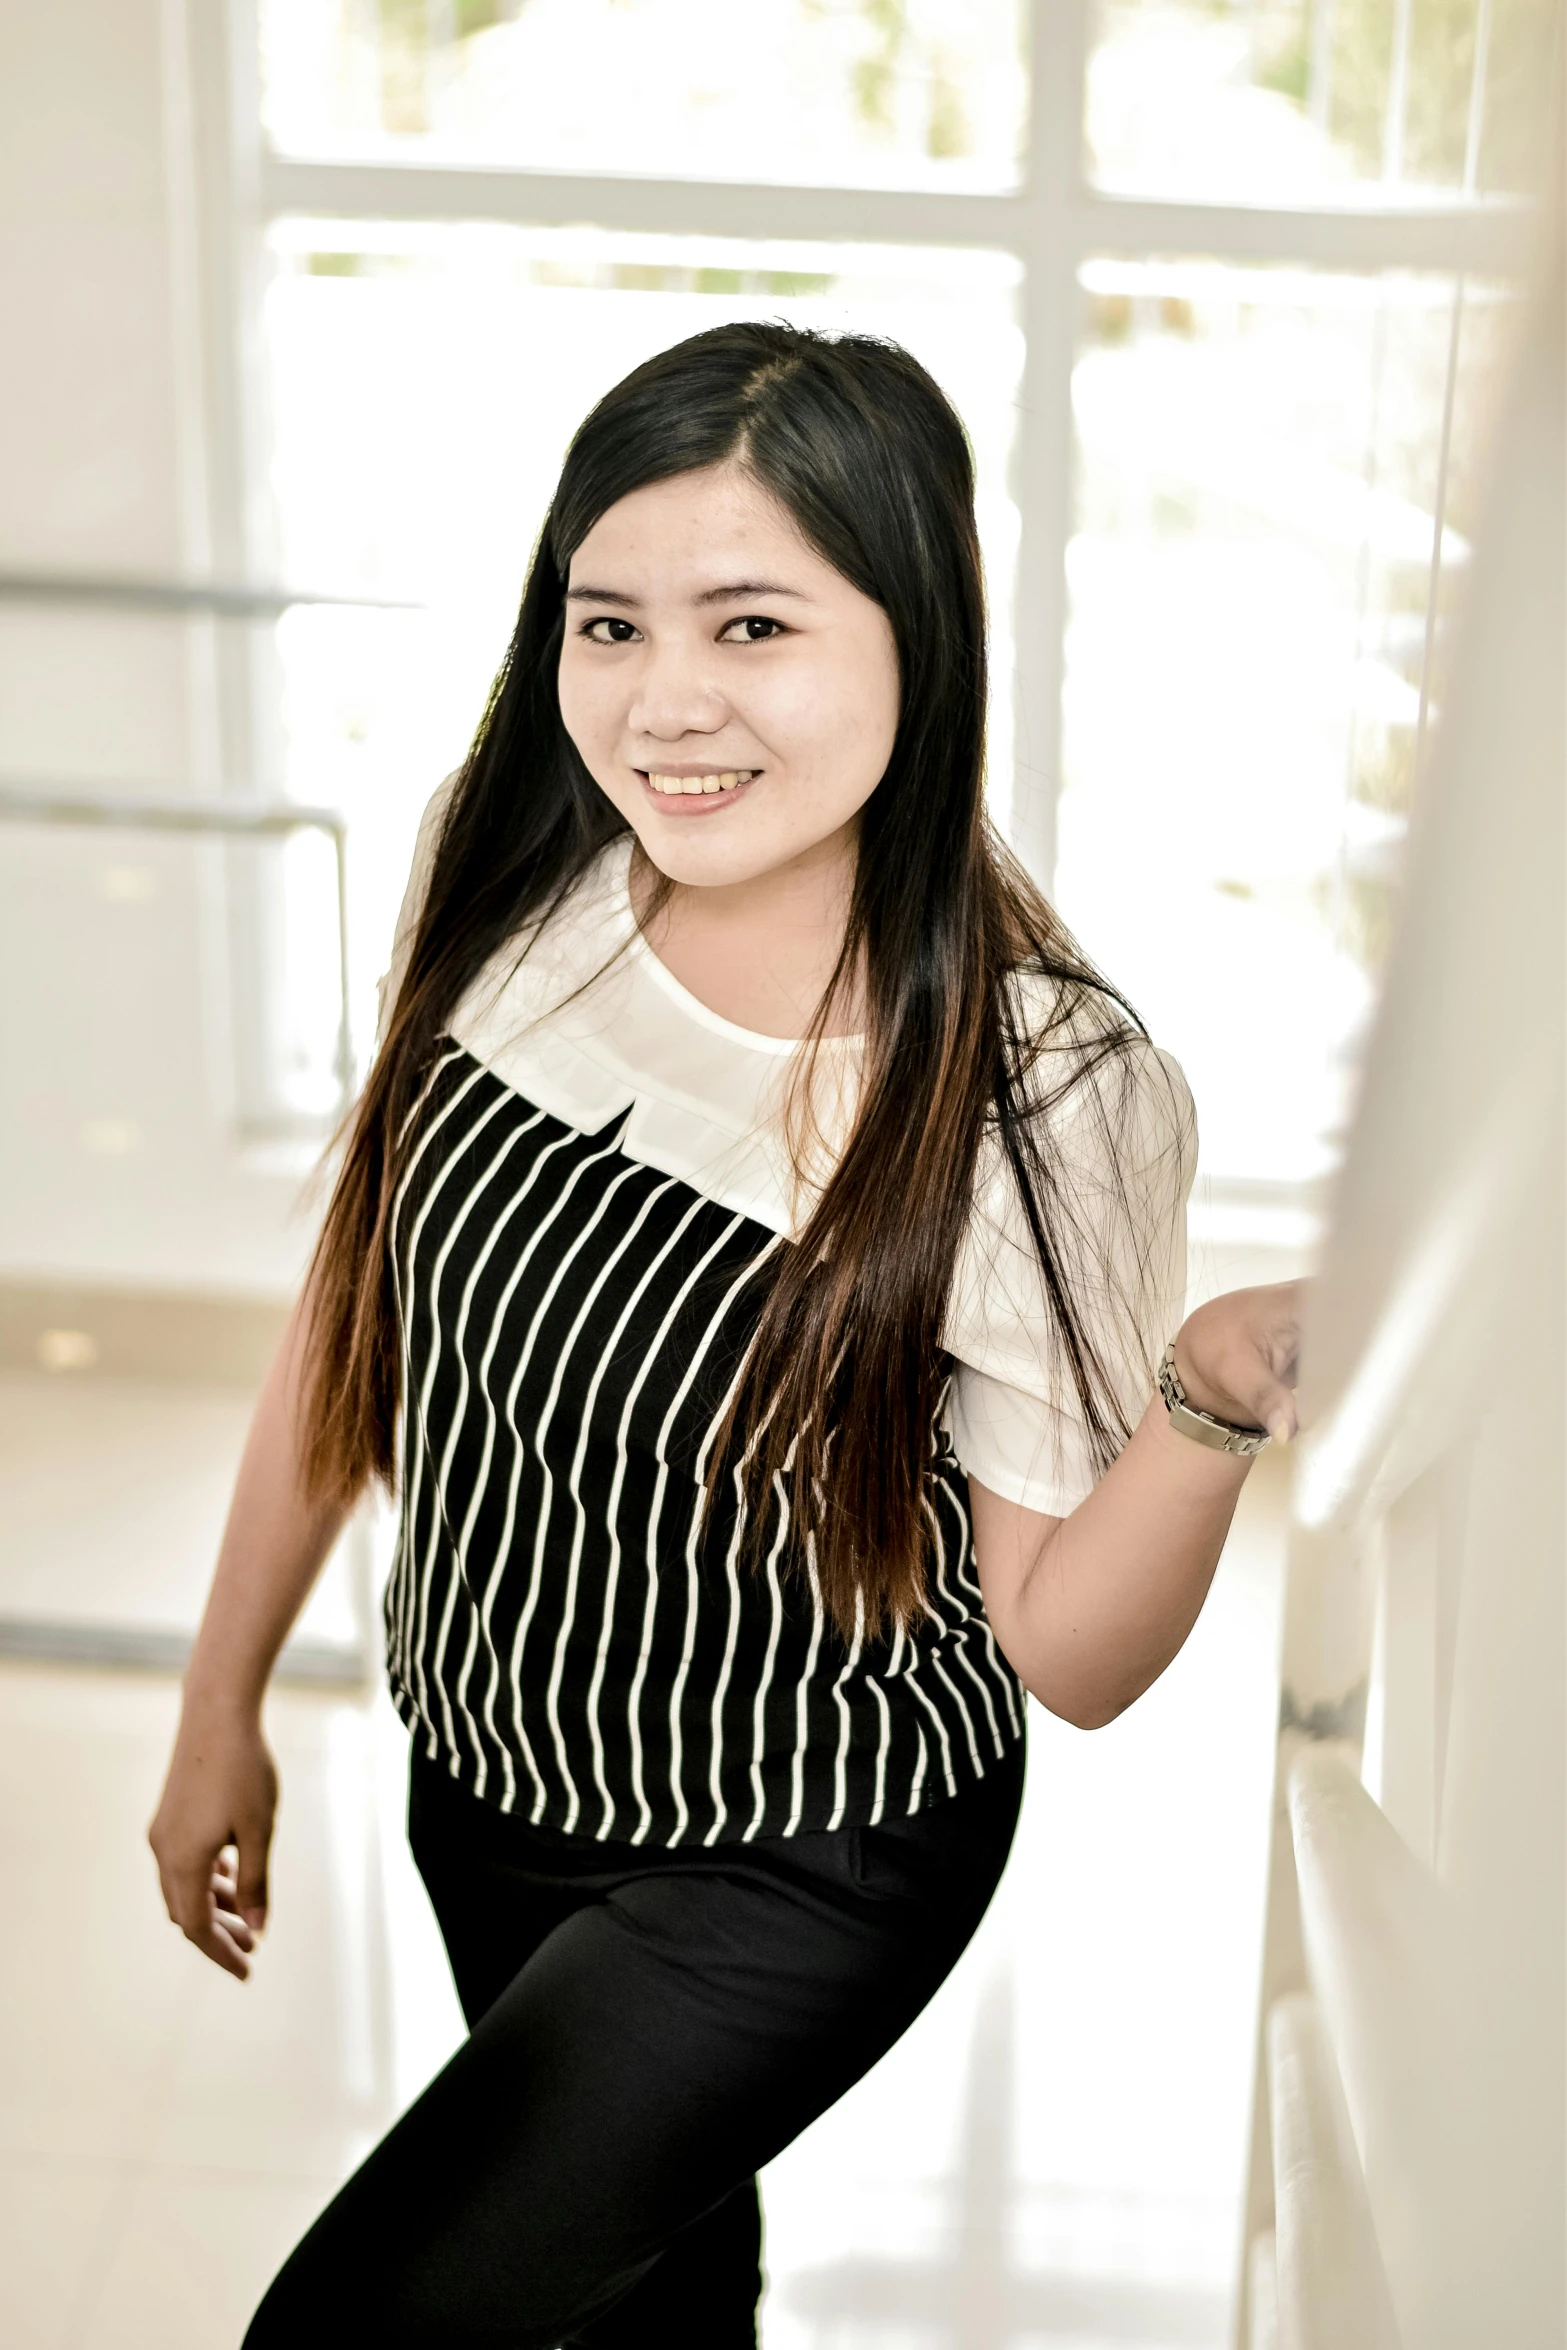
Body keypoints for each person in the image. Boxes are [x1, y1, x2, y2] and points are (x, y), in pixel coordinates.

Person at [148, 321, 1300, 2349]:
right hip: (484, 1762)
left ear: (912, 631)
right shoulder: (511, 865)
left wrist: (1208, 1393)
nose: (665, 702)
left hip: (803, 1844)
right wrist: (216, 1697)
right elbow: (360, 1301)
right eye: (610, 622)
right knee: (651, 2291)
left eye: (752, 621)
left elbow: (1069, 1653)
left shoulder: (1046, 1083)